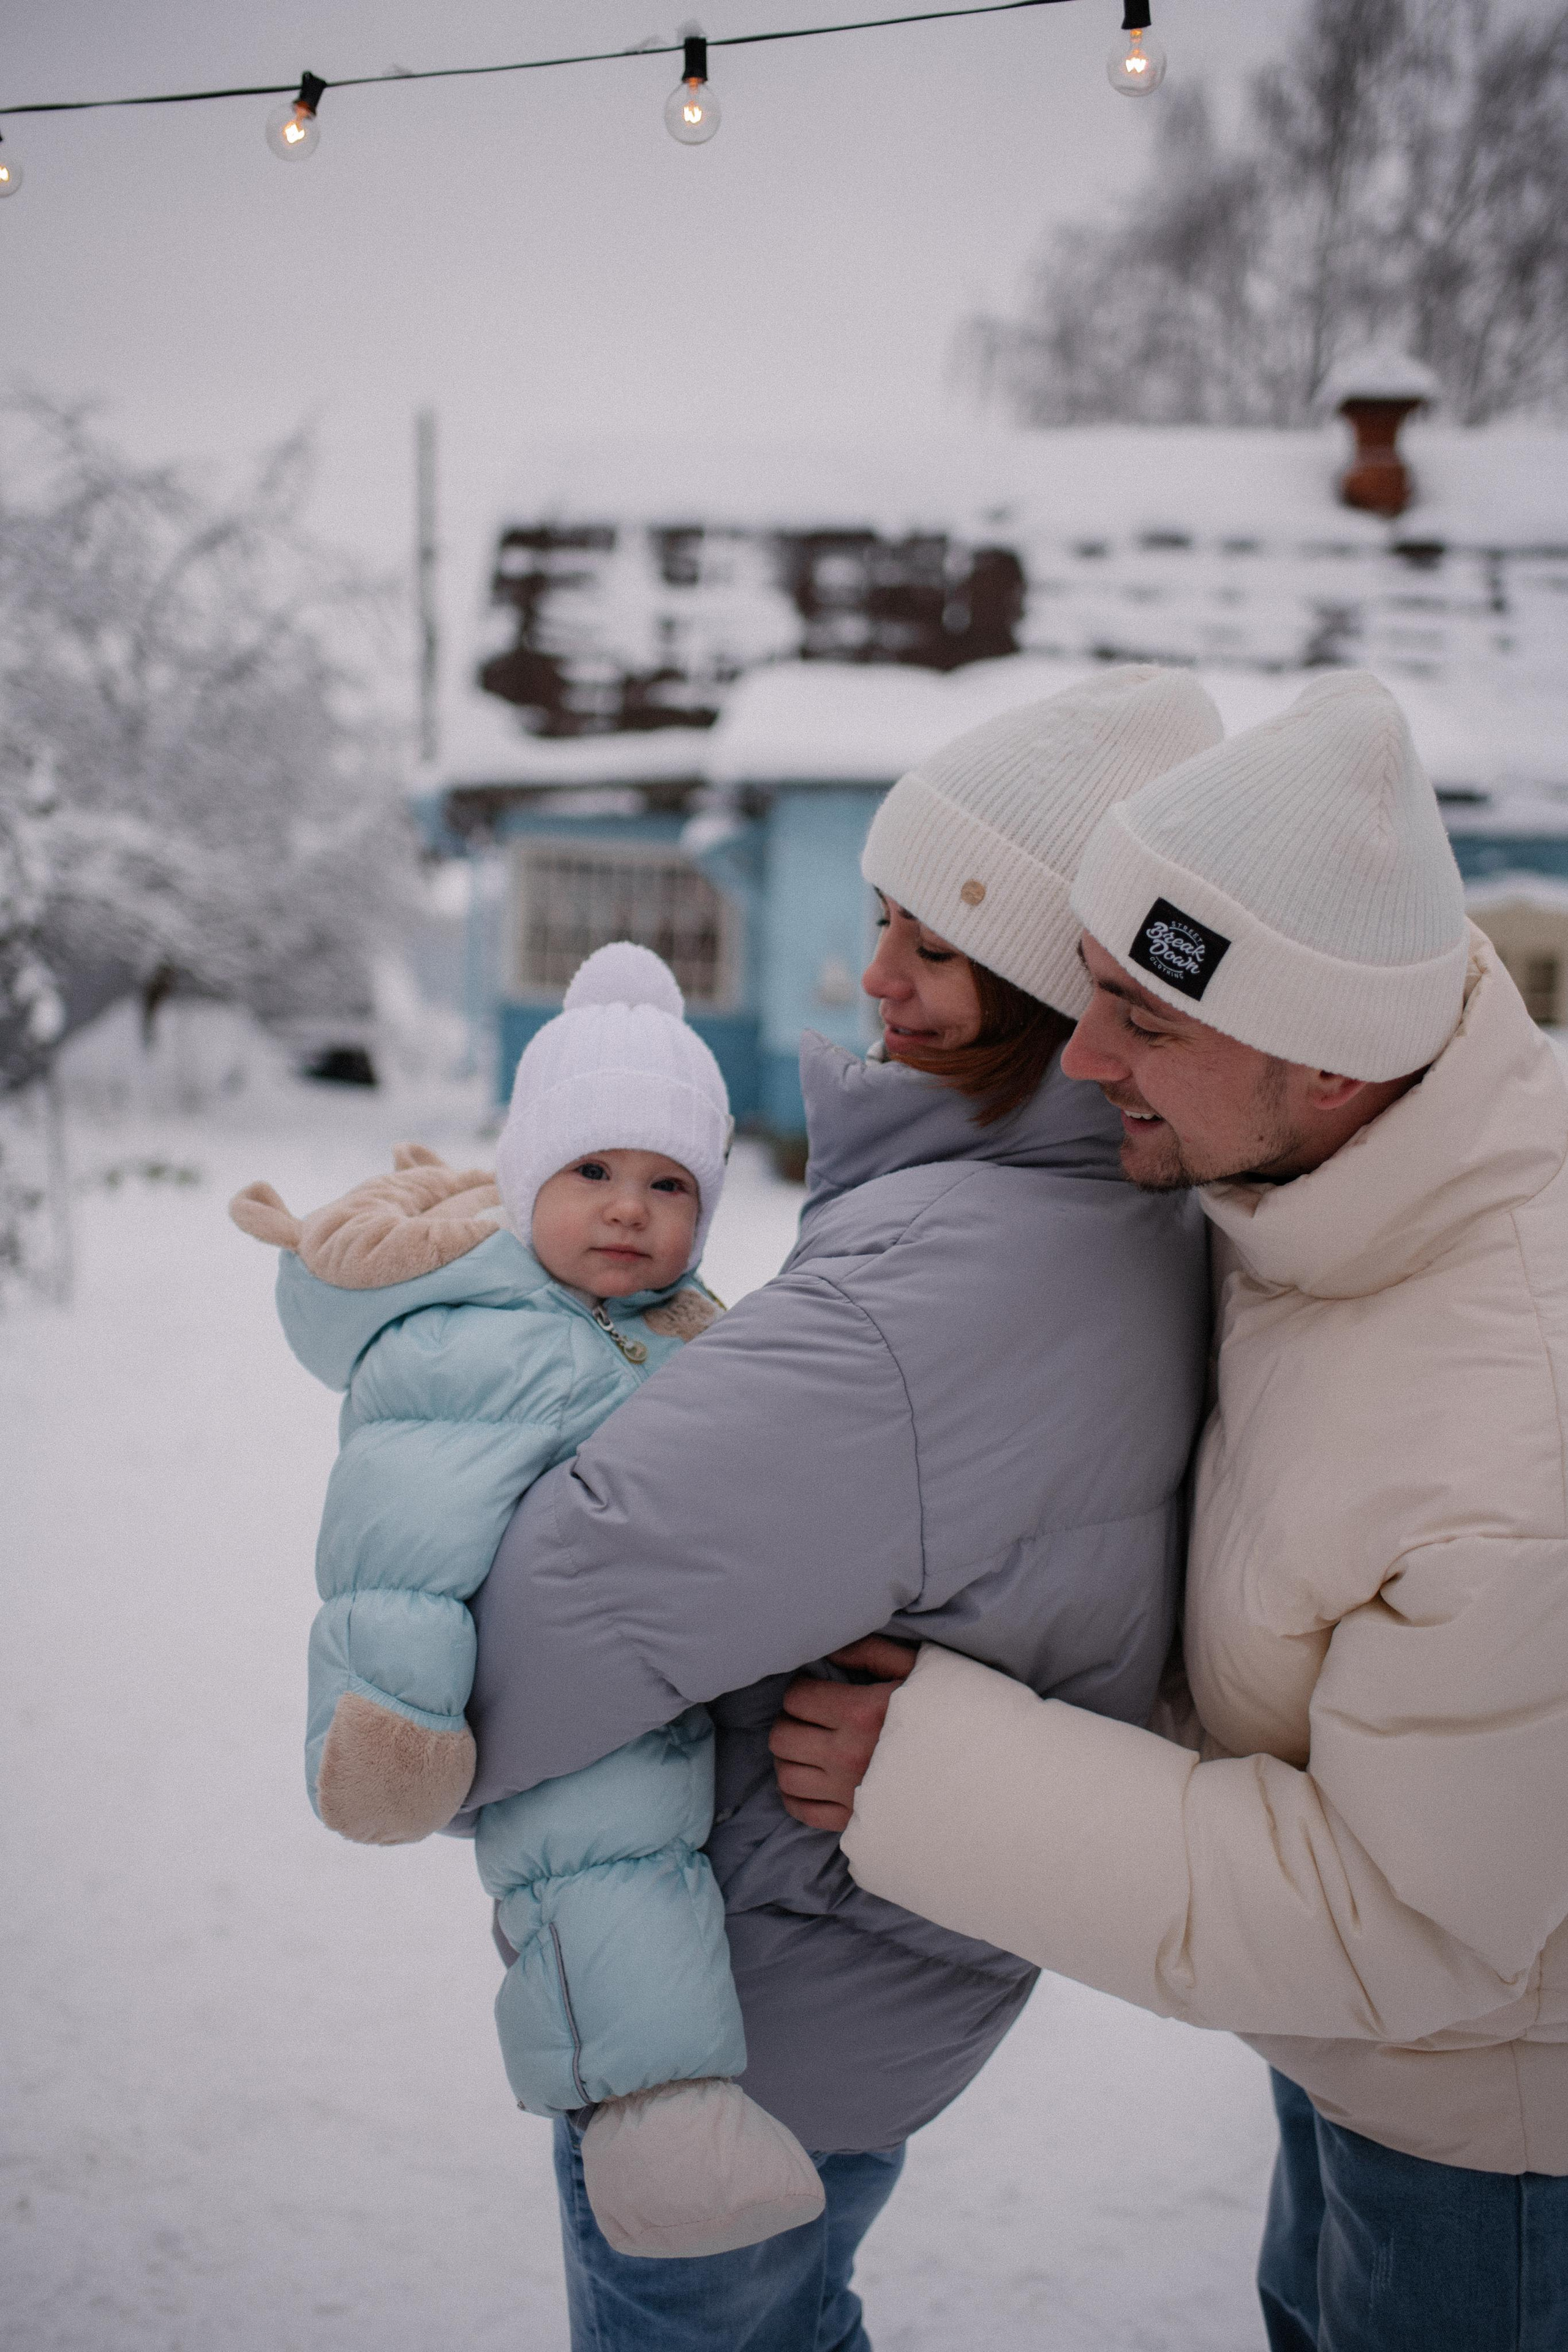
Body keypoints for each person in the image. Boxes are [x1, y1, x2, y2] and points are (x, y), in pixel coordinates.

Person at [793, 670, 1568, 2351]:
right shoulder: (1328, 1186)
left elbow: (1412, 1926)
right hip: (1358, 2077)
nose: (1083, 1058)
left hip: (1501, 2166)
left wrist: (930, 1773)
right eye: (1092, 990)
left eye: (1146, 1023)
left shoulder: (1516, 1434)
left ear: (1332, 1066)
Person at [460, 665, 1221, 2351]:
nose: (872, 976)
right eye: (882, 920)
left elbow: (565, 1607)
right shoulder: (1107, 1218)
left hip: (733, 2024)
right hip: (871, 1974)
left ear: (1051, 996)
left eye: (932, 950)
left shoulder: (938, 1293)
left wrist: (395, 1722)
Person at [231, 943, 826, 2261]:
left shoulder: (680, 1321)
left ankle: (667, 2122)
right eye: (591, 1170)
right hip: (546, 1692)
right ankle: (655, 2127)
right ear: (524, 1180)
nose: (628, 1211)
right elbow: (399, 1534)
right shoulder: (474, 1334)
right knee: (602, 1863)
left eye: (669, 1183)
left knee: (644, 1861)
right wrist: (390, 1716)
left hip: (658, 1670)